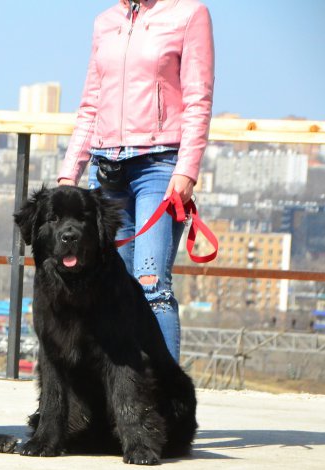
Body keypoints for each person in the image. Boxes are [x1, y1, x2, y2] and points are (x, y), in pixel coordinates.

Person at [57, 0, 214, 361]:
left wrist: (187, 170)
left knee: (151, 284)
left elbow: (198, 99)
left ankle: (166, 392)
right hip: (106, 169)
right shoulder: (105, 21)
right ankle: (121, 391)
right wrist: (69, 174)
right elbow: (91, 104)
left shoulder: (188, 14)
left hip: (159, 166)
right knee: (108, 288)